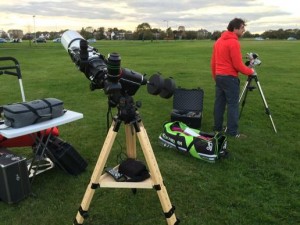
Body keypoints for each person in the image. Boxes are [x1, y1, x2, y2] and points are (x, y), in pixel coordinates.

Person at [211, 18, 255, 138]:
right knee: (232, 105)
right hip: (230, 78)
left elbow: (213, 63)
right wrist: (250, 71)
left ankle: (217, 128)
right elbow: (238, 65)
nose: (243, 30)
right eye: (242, 28)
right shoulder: (234, 42)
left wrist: (216, 77)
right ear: (235, 28)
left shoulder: (219, 41)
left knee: (219, 104)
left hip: (219, 77)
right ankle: (232, 132)